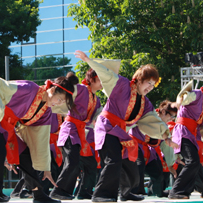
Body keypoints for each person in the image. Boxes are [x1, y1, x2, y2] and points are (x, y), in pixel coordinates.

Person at [0, 71, 78, 203]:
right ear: (52, 89)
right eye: (60, 99)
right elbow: (1, 86)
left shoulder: (45, 112)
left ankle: (39, 196)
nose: (59, 103)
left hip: (9, 128)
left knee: (27, 159)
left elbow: (41, 139)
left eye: (62, 102)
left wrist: (45, 168)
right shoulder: (29, 88)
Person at [74, 50, 178, 202]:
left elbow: (153, 120)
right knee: (113, 161)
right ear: (139, 79)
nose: (150, 87)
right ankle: (102, 194)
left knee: (130, 163)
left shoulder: (145, 103)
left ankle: (126, 192)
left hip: (121, 133)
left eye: (153, 85)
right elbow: (107, 74)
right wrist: (88, 60)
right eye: (149, 83)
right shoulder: (122, 84)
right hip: (107, 127)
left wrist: (165, 136)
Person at [49, 69, 102, 200]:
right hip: (70, 130)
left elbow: (98, 118)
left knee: (91, 164)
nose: (103, 83)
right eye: (101, 79)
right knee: (72, 162)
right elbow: (65, 92)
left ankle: (85, 191)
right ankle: (59, 190)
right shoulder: (80, 89)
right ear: (92, 79)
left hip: (82, 135)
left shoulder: (98, 100)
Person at [130, 100, 178, 198]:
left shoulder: (163, 127)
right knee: (139, 165)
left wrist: (170, 164)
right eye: (171, 116)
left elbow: (166, 145)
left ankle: (158, 193)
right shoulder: (149, 114)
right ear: (164, 112)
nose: (172, 119)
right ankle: (135, 192)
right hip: (133, 144)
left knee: (157, 171)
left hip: (147, 150)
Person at [169, 80, 203, 199]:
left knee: (196, 162)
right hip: (183, 131)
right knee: (193, 161)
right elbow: (184, 97)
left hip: (192, 134)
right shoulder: (198, 94)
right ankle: (176, 191)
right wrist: (180, 100)